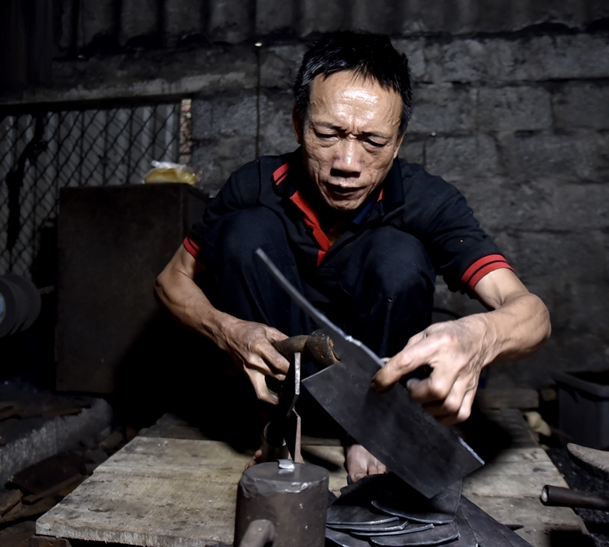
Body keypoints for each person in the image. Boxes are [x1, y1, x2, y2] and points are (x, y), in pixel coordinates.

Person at [155, 30, 551, 481]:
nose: (346, 162)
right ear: (298, 123)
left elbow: (530, 313)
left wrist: (481, 337)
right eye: (327, 134)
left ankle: (371, 432)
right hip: (273, 391)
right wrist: (229, 331)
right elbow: (170, 281)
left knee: (398, 253)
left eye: (373, 142)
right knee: (247, 230)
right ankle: (281, 430)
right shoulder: (255, 185)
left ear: (398, 142)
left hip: (376, 393)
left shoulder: (428, 200)